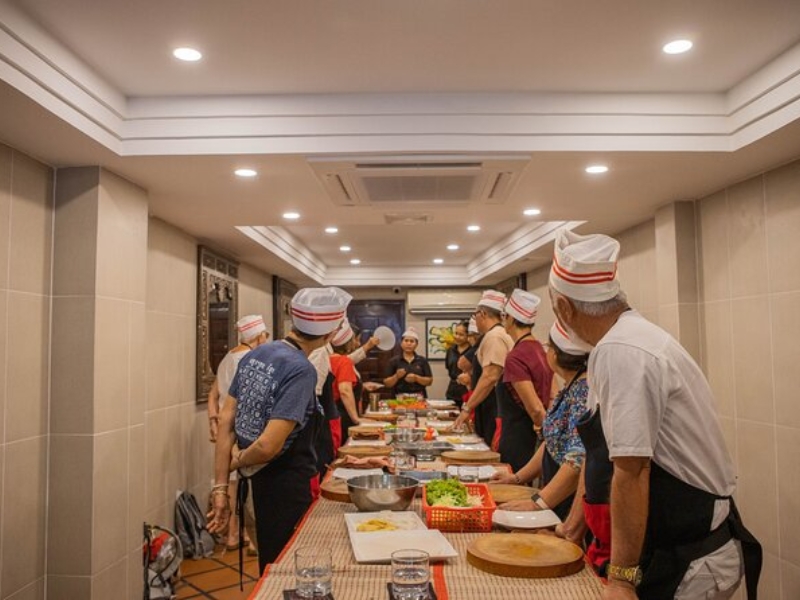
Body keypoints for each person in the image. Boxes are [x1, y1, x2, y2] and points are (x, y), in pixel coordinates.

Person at [548, 228, 761, 600]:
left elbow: (632, 469)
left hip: (687, 560)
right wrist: (573, 528)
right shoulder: (616, 343)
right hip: (662, 550)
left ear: (564, 308)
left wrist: (621, 579)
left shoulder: (624, 350)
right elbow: (601, 454)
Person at [207, 287, 352, 574]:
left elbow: (226, 421)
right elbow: (268, 446)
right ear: (330, 335)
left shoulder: (257, 353)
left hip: (259, 482)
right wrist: (238, 461)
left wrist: (221, 486)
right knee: (288, 569)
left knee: (269, 563)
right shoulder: (302, 369)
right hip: (285, 483)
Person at [493, 321, 589, 520]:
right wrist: (517, 478)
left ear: (555, 355)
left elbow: (577, 460)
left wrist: (539, 502)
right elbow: (552, 443)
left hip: (569, 499)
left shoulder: (583, 393)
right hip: (554, 492)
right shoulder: (570, 388)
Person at [206, 314, 268, 552]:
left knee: (229, 483)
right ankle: (250, 538)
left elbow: (214, 394)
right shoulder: (250, 358)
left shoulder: (227, 358)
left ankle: (233, 535)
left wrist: (214, 423)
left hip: (224, 429)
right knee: (245, 484)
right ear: (259, 336)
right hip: (240, 430)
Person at [494, 289, 553, 472]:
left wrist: (548, 436)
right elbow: (553, 395)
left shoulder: (516, 357)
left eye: (505, 316)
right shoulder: (540, 349)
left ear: (511, 319)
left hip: (519, 438)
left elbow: (535, 409)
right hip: (535, 436)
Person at [453, 290, 513, 447]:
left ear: (483, 314)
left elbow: (490, 377)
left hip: (495, 407)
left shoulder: (495, 337)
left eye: (475, 315)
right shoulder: (492, 335)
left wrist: (467, 408)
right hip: (488, 406)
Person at [329, 319, 362, 443]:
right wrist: (356, 419)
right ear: (347, 342)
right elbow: (345, 390)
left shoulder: (328, 358)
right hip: (342, 415)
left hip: (330, 415)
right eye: (354, 340)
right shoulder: (343, 361)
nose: (357, 344)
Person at [383, 327, 433, 397]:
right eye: (406, 341)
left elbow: (429, 381)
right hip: (398, 398)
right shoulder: (393, 361)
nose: (408, 343)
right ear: (401, 343)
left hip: (419, 398)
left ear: (416, 344)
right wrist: (396, 376)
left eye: (412, 341)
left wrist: (417, 378)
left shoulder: (422, 360)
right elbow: (386, 383)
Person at [444, 320, 471, 408]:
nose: (457, 337)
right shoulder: (450, 350)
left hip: (468, 391)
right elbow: (449, 368)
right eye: (456, 333)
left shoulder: (473, 350)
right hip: (452, 391)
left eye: (461, 335)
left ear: (468, 336)